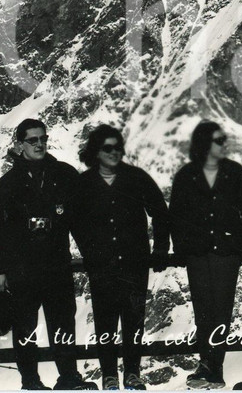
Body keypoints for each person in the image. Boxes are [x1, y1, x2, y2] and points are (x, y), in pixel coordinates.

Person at [0, 118, 90, 391]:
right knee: (24, 329)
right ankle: (30, 382)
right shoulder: (6, 185)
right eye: (33, 140)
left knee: (63, 326)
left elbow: (82, 221)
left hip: (57, 266)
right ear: (20, 145)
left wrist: (93, 255)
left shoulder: (65, 175)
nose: (40, 144)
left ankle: (68, 378)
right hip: (22, 270)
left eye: (43, 138)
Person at [72, 125, 170, 391]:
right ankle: (109, 376)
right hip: (101, 266)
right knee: (105, 320)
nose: (115, 153)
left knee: (133, 319)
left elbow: (160, 212)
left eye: (118, 147)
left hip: (135, 264)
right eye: (107, 148)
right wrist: (90, 251)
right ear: (95, 152)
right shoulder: (84, 184)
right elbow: (74, 222)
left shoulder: (136, 178)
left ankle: (133, 374)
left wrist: (161, 248)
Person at [169, 120, 242, 389]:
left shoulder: (235, 172)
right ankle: (207, 364)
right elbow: (176, 215)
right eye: (219, 140)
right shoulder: (186, 175)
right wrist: (182, 248)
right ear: (205, 143)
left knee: (221, 312)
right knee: (203, 311)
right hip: (197, 254)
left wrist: (241, 246)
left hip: (226, 254)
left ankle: (213, 367)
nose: (224, 145)